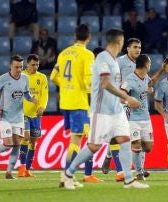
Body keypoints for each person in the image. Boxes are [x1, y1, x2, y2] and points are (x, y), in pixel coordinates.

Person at [60, 28, 149, 190]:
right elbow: (105, 83)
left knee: (124, 140)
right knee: (94, 146)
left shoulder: (113, 60)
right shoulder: (102, 58)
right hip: (101, 110)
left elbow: (113, 85)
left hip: (116, 110)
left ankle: (128, 180)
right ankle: (68, 173)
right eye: (122, 41)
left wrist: (123, 99)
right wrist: (128, 98)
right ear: (119, 42)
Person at [50, 24, 102, 185]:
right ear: (89, 37)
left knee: (74, 139)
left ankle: (67, 175)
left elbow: (53, 77)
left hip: (65, 101)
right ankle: (67, 176)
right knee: (76, 140)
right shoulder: (87, 55)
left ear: (74, 35)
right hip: (79, 102)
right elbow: (88, 80)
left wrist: (66, 86)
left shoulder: (63, 53)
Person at [100, 38, 145, 181]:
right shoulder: (119, 62)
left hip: (136, 103)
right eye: (135, 47)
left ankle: (112, 157)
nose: (138, 50)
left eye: (139, 47)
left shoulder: (142, 62)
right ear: (128, 49)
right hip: (121, 102)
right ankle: (111, 158)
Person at [0, 55, 37, 179]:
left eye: (21, 67)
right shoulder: (2, 79)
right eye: (16, 67)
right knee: (8, 144)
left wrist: (31, 99)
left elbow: (26, 93)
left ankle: (9, 172)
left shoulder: (25, 78)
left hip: (19, 117)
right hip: (5, 117)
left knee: (17, 145)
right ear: (10, 66)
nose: (19, 70)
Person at [121, 54, 165, 180]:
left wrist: (161, 70)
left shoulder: (145, 77)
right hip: (133, 118)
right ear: (146, 65)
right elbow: (121, 97)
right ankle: (139, 173)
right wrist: (129, 102)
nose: (150, 65)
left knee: (148, 147)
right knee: (136, 145)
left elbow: (151, 82)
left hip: (146, 118)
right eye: (150, 63)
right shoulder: (129, 79)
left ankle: (138, 164)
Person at [17, 54, 48, 177]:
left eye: (37, 65)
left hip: (36, 115)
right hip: (23, 113)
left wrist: (42, 107)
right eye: (33, 65)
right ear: (27, 64)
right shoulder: (21, 76)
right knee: (25, 137)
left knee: (33, 142)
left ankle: (27, 170)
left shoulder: (42, 77)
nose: (35, 67)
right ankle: (22, 168)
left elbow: (44, 95)